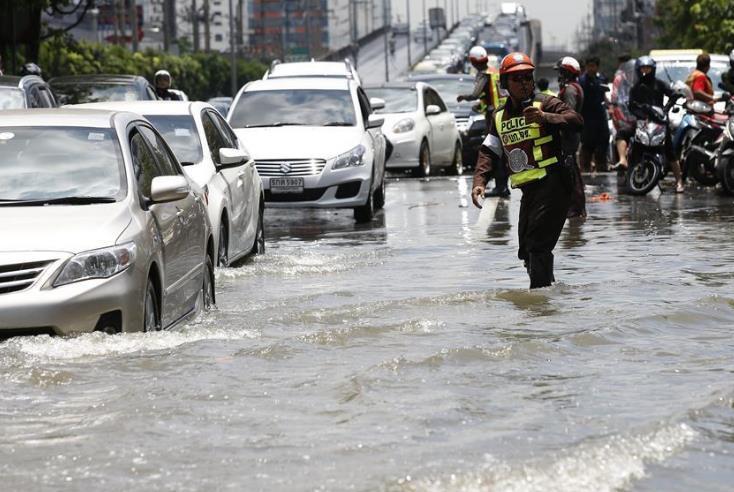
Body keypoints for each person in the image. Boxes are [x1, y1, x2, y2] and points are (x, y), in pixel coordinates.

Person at [472, 52, 583, 289]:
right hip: (529, 191)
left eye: (527, 78)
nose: (524, 83)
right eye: (517, 79)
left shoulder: (545, 102)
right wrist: (479, 181)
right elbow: (489, 150)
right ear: (504, 84)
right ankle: (549, 291)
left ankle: (539, 308)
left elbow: (575, 119)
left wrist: (546, 117)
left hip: (554, 184)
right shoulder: (499, 115)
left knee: (538, 247)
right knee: (525, 252)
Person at [611, 56, 685, 193]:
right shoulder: (635, 87)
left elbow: (673, 94)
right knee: (622, 133)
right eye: (643, 69)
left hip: (660, 122)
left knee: (670, 151)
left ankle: (679, 181)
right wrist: (639, 113)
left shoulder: (659, 84)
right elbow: (631, 105)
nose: (646, 71)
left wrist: (667, 108)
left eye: (648, 68)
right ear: (639, 70)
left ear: (653, 69)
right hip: (642, 122)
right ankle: (623, 160)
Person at [457, 46, 509, 197]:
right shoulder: (495, 71)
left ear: (473, 62)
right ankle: (503, 186)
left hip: (494, 117)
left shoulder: (484, 75)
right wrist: (480, 106)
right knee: (501, 151)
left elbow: (476, 93)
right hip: (503, 113)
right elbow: (493, 95)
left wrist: (464, 97)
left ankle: (501, 187)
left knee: (494, 151)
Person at [555, 56, 586, 219]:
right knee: (571, 169)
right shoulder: (573, 87)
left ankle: (576, 207)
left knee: (570, 172)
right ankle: (576, 206)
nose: (559, 75)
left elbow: (568, 114)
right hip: (571, 135)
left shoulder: (570, 90)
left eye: (561, 72)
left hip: (568, 136)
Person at [578, 56, 609, 172]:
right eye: (589, 66)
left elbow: (605, 97)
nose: (591, 68)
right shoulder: (581, 81)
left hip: (600, 118)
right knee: (586, 149)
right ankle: (585, 176)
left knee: (601, 150)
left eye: (593, 66)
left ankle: (602, 172)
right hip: (587, 119)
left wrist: (609, 106)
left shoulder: (602, 79)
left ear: (597, 67)